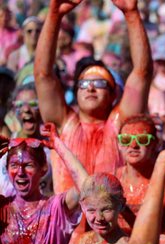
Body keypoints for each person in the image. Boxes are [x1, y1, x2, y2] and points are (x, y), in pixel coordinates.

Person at [34, 0, 153, 194]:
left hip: (112, 223)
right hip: (69, 224)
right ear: (76, 91)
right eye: (84, 84)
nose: (90, 88)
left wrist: (132, 14)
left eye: (99, 84)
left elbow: (142, 73)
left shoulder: (120, 126)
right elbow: (42, 75)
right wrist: (54, 15)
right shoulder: (64, 124)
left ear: (114, 94)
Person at [116, 115, 165, 235]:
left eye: (142, 139)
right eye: (126, 139)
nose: (133, 145)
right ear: (119, 144)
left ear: (155, 144)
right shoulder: (113, 180)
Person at [0, 83, 53, 197]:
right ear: (13, 110)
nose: (26, 109)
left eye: (33, 104)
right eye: (19, 105)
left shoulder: (52, 148)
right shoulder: (4, 148)